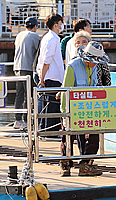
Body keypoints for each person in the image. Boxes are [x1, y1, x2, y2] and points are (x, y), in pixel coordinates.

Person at [60, 41, 108, 177]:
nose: (96, 63)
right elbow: (65, 91)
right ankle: (65, 164)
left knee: (94, 136)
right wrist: (65, 114)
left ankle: (86, 164)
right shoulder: (73, 66)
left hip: (89, 109)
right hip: (72, 108)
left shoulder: (94, 68)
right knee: (68, 137)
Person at [36, 13, 66, 137]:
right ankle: (49, 131)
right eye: (60, 23)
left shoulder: (47, 37)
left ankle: (45, 129)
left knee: (48, 103)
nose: (62, 26)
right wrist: (42, 78)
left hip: (49, 75)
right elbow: (47, 60)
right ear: (55, 25)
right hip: (52, 75)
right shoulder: (53, 39)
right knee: (52, 104)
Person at [12, 16, 42, 130]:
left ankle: (17, 120)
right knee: (28, 95)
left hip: (18, 67)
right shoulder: (34, 36)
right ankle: (26, 120)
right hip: (28, 67)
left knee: (19, 94)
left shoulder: (19, 35)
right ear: (35, 26)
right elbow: (38, 51)